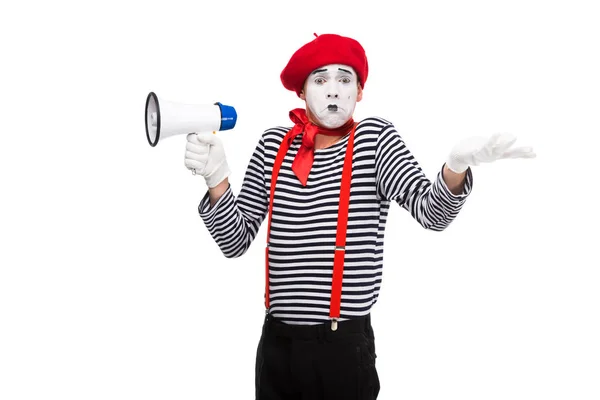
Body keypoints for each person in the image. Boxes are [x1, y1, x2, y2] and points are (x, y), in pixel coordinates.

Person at [183, 33, 535, 400]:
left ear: (360, 91)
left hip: (342, 350)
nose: (333, 91)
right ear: (301, 92)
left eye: (344, 79)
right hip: (277, 346)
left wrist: (455, 167)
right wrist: (217, 179)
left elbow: (432, 213)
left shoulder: (374, 138)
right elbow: (234, 242)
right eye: (320, 80)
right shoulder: (274, 144)